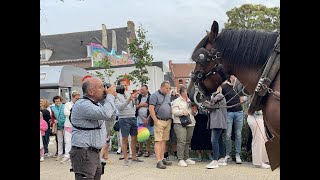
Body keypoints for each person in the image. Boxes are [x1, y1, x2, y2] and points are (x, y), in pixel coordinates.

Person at [69, 77, 117, 180]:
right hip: (84, 154)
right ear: (91, 91)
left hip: (94, 153)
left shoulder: (96, 104)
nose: (104, 89)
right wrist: (110, 97)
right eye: (101, 87)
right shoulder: (83, 105)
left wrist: (110, 98)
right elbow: (106, 113)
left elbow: (111, 116)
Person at [115, 78, 143, 166]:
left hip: (133, 117)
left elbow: (136, 103)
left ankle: (134, 156)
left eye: (125, 84)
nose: (124, 86)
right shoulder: (116, 96)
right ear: (118, 85)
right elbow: (119, 107)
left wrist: (135, 98)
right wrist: (128, 100)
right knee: (124, 139)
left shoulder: (128, 93)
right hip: (124, 118)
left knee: (134, 138)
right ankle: (126, 159)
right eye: (122, 84)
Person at [149, 81, 173, 169]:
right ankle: (158, 161)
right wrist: (155, 120)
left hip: (167, 121)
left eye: (169, 88)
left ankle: (162, 158)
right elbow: (151, 108)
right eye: (167, 88)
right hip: (159, 120)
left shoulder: (168, 95)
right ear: (161, 87)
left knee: (164, 140)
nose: (168, 90)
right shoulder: (154, 95)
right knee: (158, 141)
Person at [222, 75, 244, 164]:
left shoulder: (239, 86)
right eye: (232, 75)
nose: (234, 77)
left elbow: (242, 99)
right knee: (228, 134)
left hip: (239, 112)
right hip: (229, 113)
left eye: (235, 75)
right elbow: (222, 100)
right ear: (229, 77)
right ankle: (228, 154)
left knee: (238, 134)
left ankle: (238, 155)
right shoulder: (224, 87)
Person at [171, 86, 196, 167]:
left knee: (188, 141)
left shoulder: (190, 101)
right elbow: (174, 112)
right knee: (181, 141)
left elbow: (194, 113)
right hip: (179, 123)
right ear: (182, 93)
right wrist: (182, 112)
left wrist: (194, 111)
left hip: (190, 123)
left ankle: (186, 158)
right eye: (186, 92)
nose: (187, 93)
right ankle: (180, 159)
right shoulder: (176, 101)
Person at [205, 86, 228, 169]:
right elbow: (211, 108)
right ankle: (222, 158)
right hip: (218, 122)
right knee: (219, 140)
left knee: (214, 140)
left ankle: (215, 161)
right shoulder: (216, 96)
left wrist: (204, 101)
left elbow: (211, 104)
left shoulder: (219, 96)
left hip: (218, 122)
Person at [61, 90, 81, 163]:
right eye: (76, 98)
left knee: (76, 142)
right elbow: (66, 113)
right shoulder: (67, 104)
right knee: (68, 141)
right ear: (72, 97)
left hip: (77, 126)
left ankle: (74, 156)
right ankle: (67, 155)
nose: (78, 100)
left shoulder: (80, 104)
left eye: (79, 98)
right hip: (68, 125)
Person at [136, 85, 153, 158]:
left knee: (148, 135)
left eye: (143, 90)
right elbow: (135, 107)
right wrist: (141, 105)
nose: (141, 91)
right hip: (139, 119)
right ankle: (140, 150)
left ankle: (148, 150)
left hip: (147, 119)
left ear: (147, 90)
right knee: (140, 135)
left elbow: (153, 109)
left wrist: (148, 119)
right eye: (141, 90)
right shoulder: (139, 97)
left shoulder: (151, 97)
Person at [51, 95, 66, 161]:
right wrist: (54, 120)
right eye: (56, 101)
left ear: (60, 101)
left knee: (66, 141)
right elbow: (53, 117)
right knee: (59, 141)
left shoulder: (64, 106)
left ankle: (66, 154)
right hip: (58, 126)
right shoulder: (53, 108)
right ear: (54, 102)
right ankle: (60, 154)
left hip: (65, 126)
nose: (57, 102)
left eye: (58, 101)